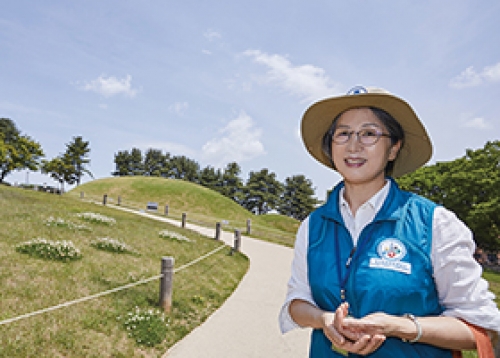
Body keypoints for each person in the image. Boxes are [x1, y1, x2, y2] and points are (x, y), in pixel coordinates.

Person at [279, 86, 500, 357]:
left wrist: (400, 327)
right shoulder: (313, 225)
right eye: (343, 134)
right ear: (331, 146)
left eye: (369, 133)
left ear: (393, 148)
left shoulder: (435, 222)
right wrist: (324, 320)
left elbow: (481, 326)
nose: (354, 145)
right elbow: (297, 302)